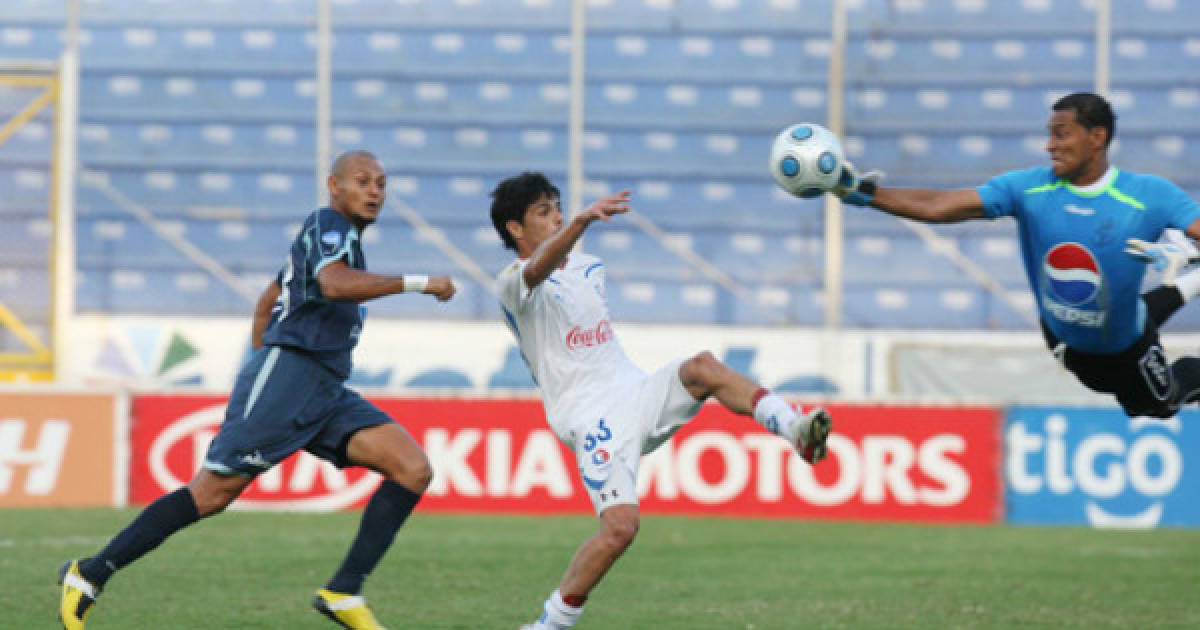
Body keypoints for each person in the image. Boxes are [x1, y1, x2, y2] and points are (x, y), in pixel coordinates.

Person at [58, 151, 457, 630]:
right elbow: (333, 285)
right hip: (290, 379)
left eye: (381, 183)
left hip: (325, 389)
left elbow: (270, 297)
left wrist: (259, 357)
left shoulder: (336, 242)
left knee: (412, 468)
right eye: (363, 181)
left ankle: (344, 590)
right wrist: (418, 283)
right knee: (211, 495)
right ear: (335, 185)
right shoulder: (328, 224)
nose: (375, 191)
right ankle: (91, 572)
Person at [489, 172, 833, 630]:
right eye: (543, 212)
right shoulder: (511, 284)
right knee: (620, 529)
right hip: (589, 417)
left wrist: (575, 232)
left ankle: (795, 430)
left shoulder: (588, 267)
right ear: (515, 228)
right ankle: (548, 626)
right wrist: (580, 222)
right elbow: (537, 270)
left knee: (703, 368)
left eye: (557, 207)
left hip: (635, 391)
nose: (556, 217)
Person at [832, 91, 1200, 418]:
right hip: (1064, 339)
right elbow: (941, 205)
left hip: (1126, 353)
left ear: (1097, 137)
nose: (1049, 145)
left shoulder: (1151, 196)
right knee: (1125, 310)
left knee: (1154, 405)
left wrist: (1192, 251)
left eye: (1061, 134)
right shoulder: (1028, 188)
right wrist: (864, 193)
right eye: (1049, 134)